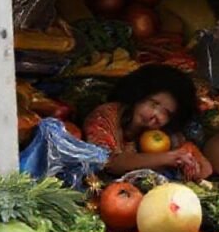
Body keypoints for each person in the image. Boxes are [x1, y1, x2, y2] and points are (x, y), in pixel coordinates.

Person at [84, 65, 212, 181]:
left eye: (167, 113)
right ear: (138, 96)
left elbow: (205, 170)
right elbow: (108, 163)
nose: (157, 115)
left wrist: (189, 157)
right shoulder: (105, 115)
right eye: (154, 104)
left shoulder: (164, 134)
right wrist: (168, 158)